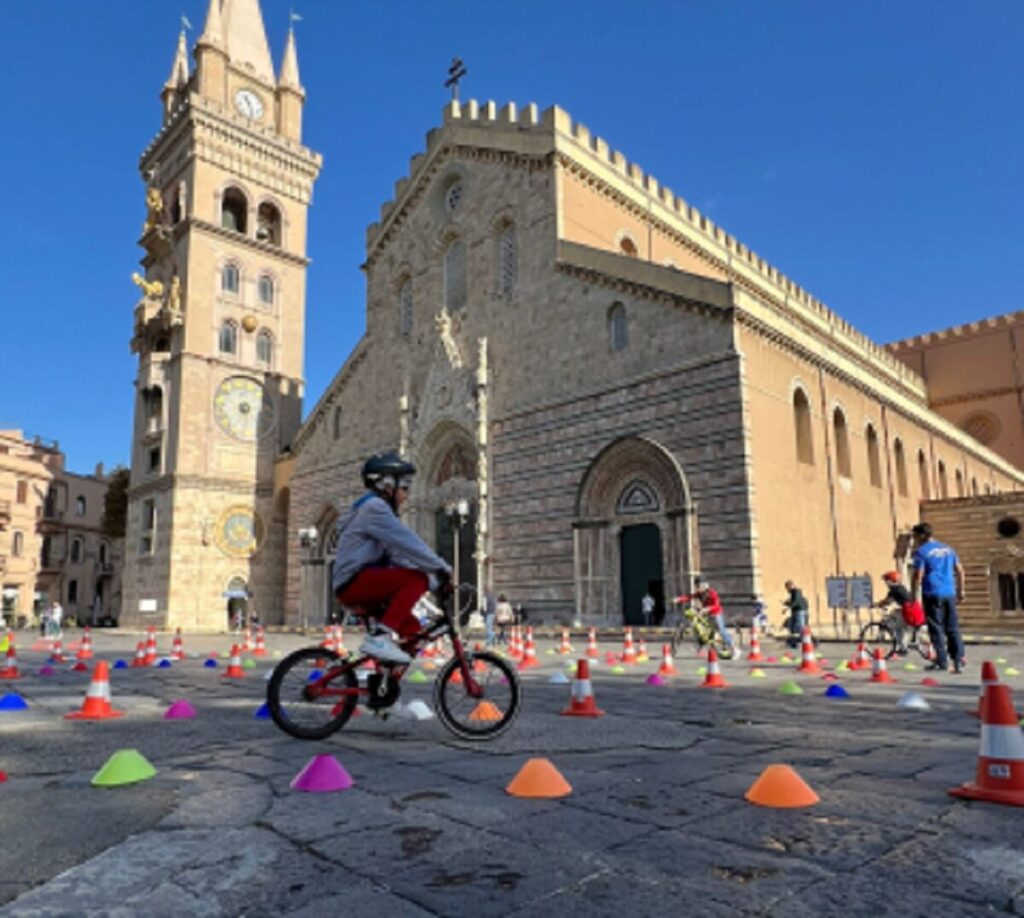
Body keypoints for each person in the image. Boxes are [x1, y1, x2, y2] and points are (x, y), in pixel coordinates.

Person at [332, 452, 452, 665]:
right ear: (388, 485)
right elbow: (407, 543)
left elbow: (398, 557)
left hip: (357, 583)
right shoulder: (374, 508)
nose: (406, 495)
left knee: (414, 632)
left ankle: (383, 681)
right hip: (354, 582)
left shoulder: (373, 510)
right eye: (404, 488)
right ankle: (380, 638)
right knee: (416, 580)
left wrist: (435, 582)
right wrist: (441, 568)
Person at [910, 522, 965, 674]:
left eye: (915, 536)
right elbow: (960, 570)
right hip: (950, 592)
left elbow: (917, 576)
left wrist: (914, 597)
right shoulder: (949, 549)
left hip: (932, 593)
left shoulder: (921, 552)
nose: (914, 540)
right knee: (953, 628)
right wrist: (961, 590)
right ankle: (958, 659)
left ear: (921, 535)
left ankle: (942, 661)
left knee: (936, 629)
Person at [671, 581, 735, 656]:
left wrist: (707, 609)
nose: (697, 589)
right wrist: (678, 599)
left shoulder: (712, 593)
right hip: (706, 613)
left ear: (704, 588)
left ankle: (733, 647)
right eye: (697, 587)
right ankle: (700, 645)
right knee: (701, 629)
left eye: (699, 587)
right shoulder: (699, 594)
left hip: (716, 613)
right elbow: (688, 597)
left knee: (721, 630)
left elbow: (716, 605)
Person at [873, 571, 925, 652]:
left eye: (886, 581)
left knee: (896, 626)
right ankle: (904, 644)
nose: (886, 584)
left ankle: (902, 647)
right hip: (913, 608)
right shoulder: (900, 587)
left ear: (890, 581)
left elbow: (887, 601)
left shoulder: (894, 590)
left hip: (908, 610)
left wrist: (877, 605)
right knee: (900, 622)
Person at [782, 581, 808, 649]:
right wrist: (787, 603)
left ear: (790, 586)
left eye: (787, 588)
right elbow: (794, 602)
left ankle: (804, 642)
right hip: (796, 611)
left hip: (800, 611)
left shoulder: (797, 591)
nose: (787, 590)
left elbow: (796, 602)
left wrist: (788, 607)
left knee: (800, 626)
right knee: (792, 626)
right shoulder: (793, 593)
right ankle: (794, 642)